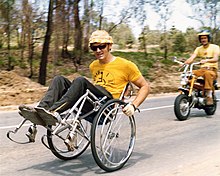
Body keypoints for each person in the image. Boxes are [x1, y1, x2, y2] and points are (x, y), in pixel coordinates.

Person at [19, 30, 150, 145]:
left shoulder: (126, 65)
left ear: (109, 46)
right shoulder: (94, 65)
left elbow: (145, 86)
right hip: (93, 102)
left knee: (80, 81)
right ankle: (41, 110)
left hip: (107, 106)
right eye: (94, 48)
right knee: (59, 79)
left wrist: (133, 105)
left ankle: (53, 112)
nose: (98, 50)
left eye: (101, 46)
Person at [184, 30, 219, 105]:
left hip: (212, 70)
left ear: (208, 38)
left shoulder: (215, 47)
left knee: (207, 73)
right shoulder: (198, 49)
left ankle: (209, 95)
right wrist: (186, 62)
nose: (203, 40)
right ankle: (192, 92)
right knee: (188, 74)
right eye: (202, 38)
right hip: (202, 70)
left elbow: (216, 58)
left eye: (205, 38)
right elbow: (192, 57)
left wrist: (207, 60)